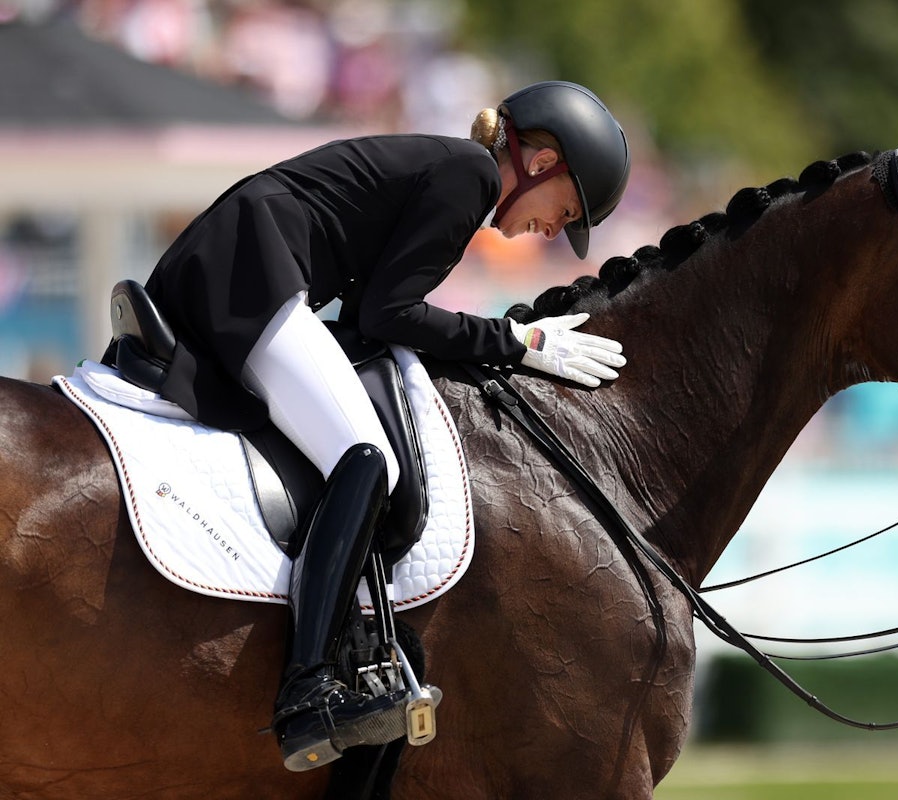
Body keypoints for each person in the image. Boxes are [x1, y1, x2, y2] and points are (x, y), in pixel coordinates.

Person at [139, 80, 631, 771]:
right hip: (253, 267)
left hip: (242, 260)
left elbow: (374, 310)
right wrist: (520, 343)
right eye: (567, 210)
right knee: (366, 458)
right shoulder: (471, 175)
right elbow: (388, 315)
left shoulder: (458, 175)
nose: (554, 231)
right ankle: (308, 684)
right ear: (542, 164)